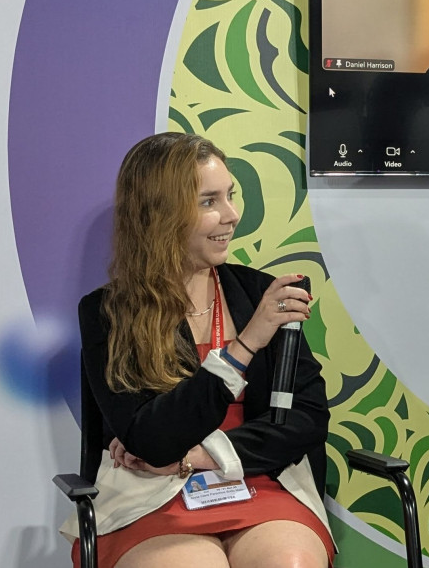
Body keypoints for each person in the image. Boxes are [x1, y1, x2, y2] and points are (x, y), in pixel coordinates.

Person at [61, 132, 331, 567]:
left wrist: (200, 456)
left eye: (230, 196)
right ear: (160, 214)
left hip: (256, 480)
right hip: (153, 494)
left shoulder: (260, 293)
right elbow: (152, 441)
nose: (232, 215)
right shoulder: (108, 312)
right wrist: (243, 348)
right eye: (209, 202)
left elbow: (307, 418)